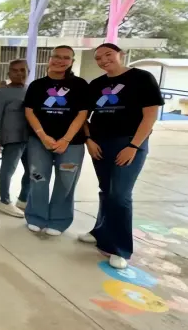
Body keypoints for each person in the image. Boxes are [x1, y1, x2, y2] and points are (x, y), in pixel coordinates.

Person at [81, 43, 162, 269]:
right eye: (98, 58)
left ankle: (120, 248)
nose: (104, 60)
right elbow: (83, 116)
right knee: (106, 191)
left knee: (120, 195)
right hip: (100, 144)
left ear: (120, 54)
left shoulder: (142, 78)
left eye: (108, 55)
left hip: (129, 143)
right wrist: (89, 140)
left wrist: (134, 146)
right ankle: (101, 233)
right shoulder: (97, 85)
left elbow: (150, 116)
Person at [23, 46, 89, 236]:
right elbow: (30, 111)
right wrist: (43, 136)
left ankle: (59, 221)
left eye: (65, 58)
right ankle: (36, 216)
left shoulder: (80, 85)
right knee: (38, 178)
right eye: (57, 56)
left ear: (72, 62)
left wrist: (66, 139)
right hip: (39, 142)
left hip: (71, 144)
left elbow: (82, 114)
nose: (60, 61)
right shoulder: (37, 85)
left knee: (66, 181)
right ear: (49, 59)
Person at [0, 59, 31, 218]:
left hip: (31, 138)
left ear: (28, 71)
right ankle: (4, 201)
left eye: (22, 70)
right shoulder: (2, 92)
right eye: (15, 70)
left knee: (32, 171)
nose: (19, 73)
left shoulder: (31, 90)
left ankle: (23, 199)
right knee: (8, 170)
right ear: (9, 73)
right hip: (12, 138)